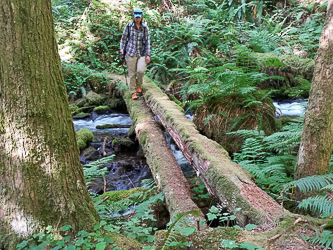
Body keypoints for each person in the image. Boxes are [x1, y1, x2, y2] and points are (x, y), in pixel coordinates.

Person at [120, 8, 151, 100]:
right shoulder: (128, 27)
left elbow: (147, 42)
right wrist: (122, 50)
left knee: (141, 71)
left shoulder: (145, 28)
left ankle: (139, 85)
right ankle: (133, 92)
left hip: (141, 53)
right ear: (133, 16)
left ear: (141, 17)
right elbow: (123, 39)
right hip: (130, 52)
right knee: (132, 73)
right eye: (136, 17)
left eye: (139, 17)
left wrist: (148, 54)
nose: (137, 19)